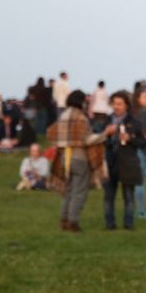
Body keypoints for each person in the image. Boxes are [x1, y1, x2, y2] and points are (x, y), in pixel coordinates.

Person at [48, 90, 105, 232]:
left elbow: (51, 133)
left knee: (68, 191)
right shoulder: (80, 117)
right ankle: (73, 222)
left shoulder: (63, 116)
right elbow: (86, 140)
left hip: (63, 157)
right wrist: (104, 135)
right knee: (79, 192)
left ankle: (64, 220)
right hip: (79, 157)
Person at [101, 91, 146, 230]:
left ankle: (129, 223)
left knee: (128, 195)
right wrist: (106, 135)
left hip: (128, 161)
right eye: (114, 103)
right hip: (110, 160)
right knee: (109, 195)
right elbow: (98, 139)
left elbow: (143, 142)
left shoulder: (134, 122)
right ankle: (110, 223)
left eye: (119, 104)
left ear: (126, 105)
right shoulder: (107, 120)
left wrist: (130, 139)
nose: (116, 106)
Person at [132, 90, 146, 220]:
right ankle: (140, 211)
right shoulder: (142, 113)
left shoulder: (135, 112)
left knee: (137, 182)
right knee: (140, 182)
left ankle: (137, 209)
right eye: (145, 97)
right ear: (138, 98)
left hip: (136, 149)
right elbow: (144, 134)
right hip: (140, 149)